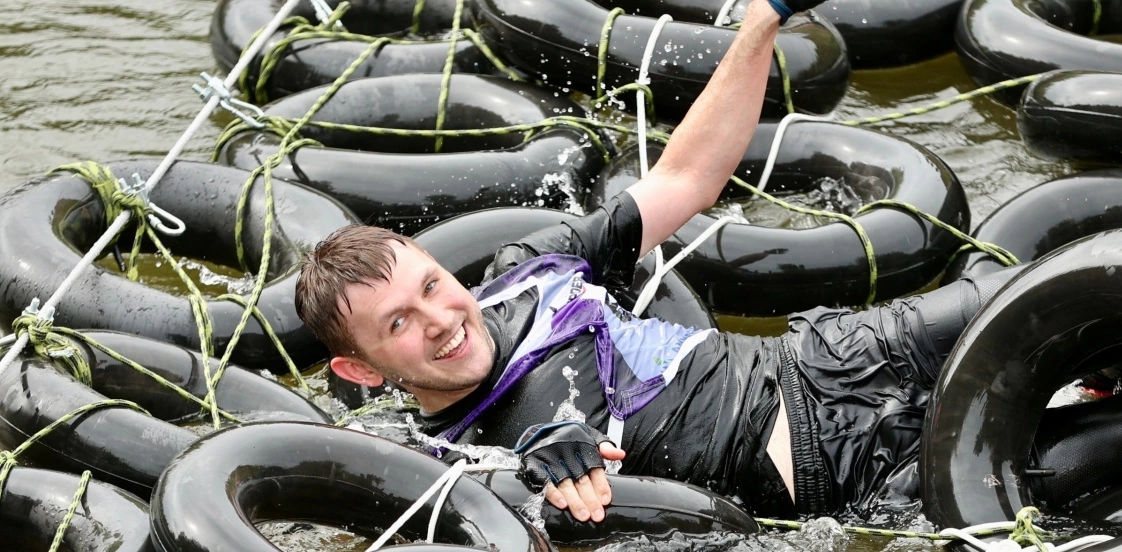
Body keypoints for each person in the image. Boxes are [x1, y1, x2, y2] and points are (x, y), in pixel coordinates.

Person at [295, 0, 1013, 522]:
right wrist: (532, 474)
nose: (442, 319)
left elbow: (685, 179)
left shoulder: (532, 268)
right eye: (399, 324)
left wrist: (764, 20)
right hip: (843, 478)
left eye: (432, 285)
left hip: (839, 357)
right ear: (360, 369)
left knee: (1077, 284)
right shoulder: (458, 468)